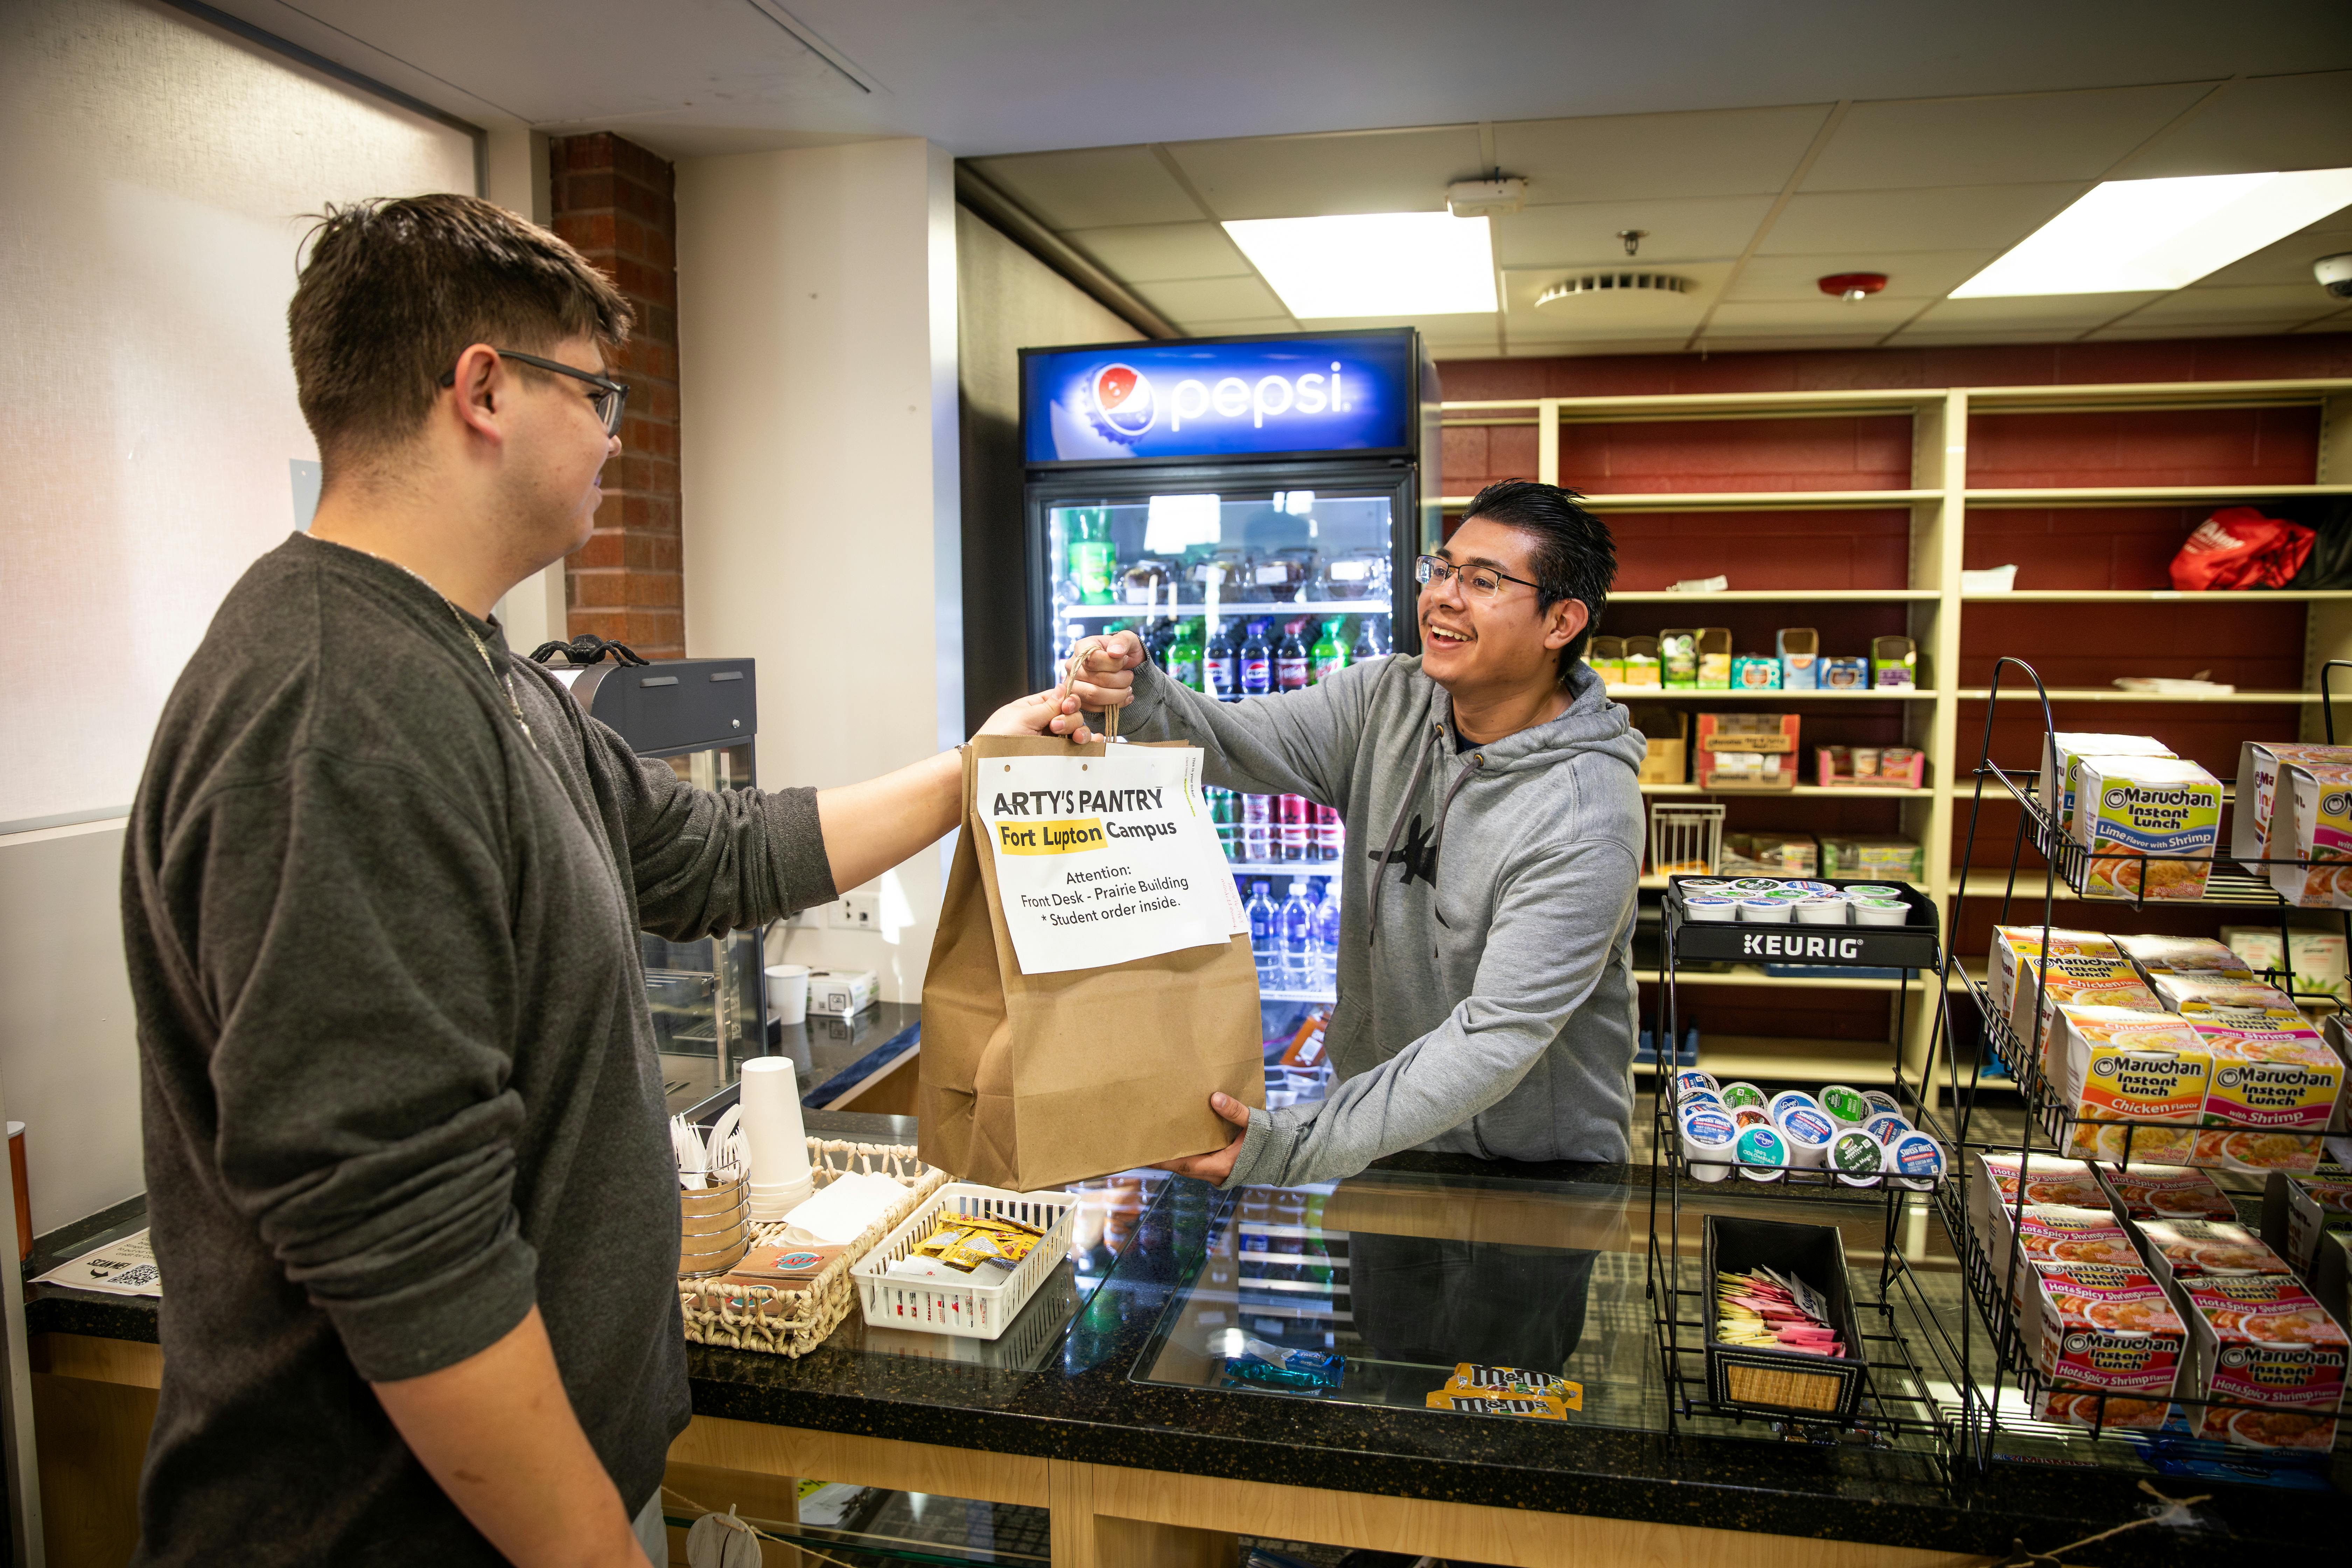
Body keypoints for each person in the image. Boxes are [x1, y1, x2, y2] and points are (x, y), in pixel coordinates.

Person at [119, 194, 1096, 1567]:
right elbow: (406, 1248)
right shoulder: (335, 706)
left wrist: (972, 768)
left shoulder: (482, 675)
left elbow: (714, 854)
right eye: (598, 390)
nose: (616, 432)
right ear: (483, 390)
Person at [1061, 480, 1644, 1187]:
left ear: (1561, 623)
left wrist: (1295, 1143)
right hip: (1378, 1137)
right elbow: (1241, 739)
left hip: (1534, 1172)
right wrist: (1139, 689)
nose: (1443, 597)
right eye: (1442, 569)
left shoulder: (1588, 813)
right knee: (1385, 1306)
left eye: (1484, 581)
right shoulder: (1386, 701)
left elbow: (1497, 1036)